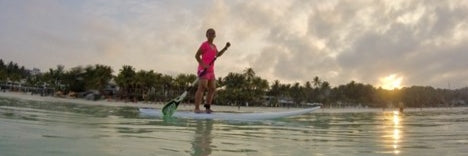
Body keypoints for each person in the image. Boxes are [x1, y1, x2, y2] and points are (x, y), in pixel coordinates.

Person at [194, 28, 230, 113]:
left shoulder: (214, 46)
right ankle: (196, 108)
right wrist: (203, 64)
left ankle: (207, 108)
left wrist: (225, 48)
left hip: (211, 71)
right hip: (203, 69)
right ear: (206, 35)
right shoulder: (204, 44)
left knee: (213, 88)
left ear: (215, 35)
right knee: (202, 88)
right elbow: (197, 56)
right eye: (209, 33)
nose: (211, 34)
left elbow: (218, 55)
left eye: (213, 33)